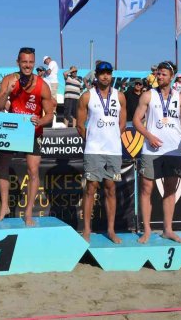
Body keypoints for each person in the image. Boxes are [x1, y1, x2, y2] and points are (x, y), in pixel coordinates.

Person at [133, 61, 181, 244]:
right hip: (151, 149)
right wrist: (148, 136)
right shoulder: (148, 95)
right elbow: (136, 120)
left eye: (163, 74)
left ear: (172, 76)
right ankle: (146, 230)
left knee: (170, 189)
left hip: (173, 149)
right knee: (146, 189)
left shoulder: (180, 98)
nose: (159, 77)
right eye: (158, 74)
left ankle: (168, 229)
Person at [0, 47, 55, 226]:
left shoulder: (42, 85)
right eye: (24, 62)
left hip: (32, 131)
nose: (27, 65)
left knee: (33, 170)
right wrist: (7, 92)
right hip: (13, 130)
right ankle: (4, 207)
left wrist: (40, 121)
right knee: (3, 165)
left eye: (30, 62)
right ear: (18, 63)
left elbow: (50, 114)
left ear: (34, 63)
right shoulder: (8, 79)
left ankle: (28, 212)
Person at [76, 61, 126, 243]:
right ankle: (87, 230)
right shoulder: (87, 96)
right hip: (94, 150)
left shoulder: (120, 96)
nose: (105, 76)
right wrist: (91, 141)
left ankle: (111, 230)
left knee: (111, 188)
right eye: (102, 73)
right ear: (96, 75)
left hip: (113, 150)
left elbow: (122, 123)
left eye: (108, 73)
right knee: (90, 189)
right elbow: (79, 125)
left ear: (111, 75)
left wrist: (113, 136)